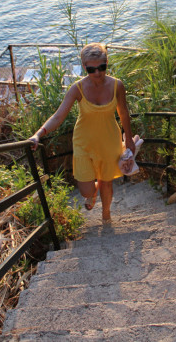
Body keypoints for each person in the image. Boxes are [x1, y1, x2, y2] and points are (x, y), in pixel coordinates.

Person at [28, 43, 135, 223]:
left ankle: (106, 215)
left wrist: (129, 139)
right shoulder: (77, 88)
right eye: (91, 69)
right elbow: (58, 116)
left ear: (107, 63)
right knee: (86, 190)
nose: (97, 73)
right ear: (84, 67)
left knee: (107, 182)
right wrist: (38, 134)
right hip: (83, 143)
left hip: (109, 141)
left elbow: (123, 113)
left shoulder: (117, 85)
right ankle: (92, 193)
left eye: (101, 67)